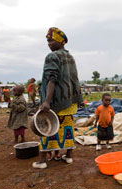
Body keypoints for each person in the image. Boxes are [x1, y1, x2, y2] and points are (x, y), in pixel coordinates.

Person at [32, 27, 83, 169]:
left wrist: (47, 101)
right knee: (68, 129)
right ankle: (68, 156)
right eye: (47, 41)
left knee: (47, 128)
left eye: (51, 40)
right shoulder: (70, 57)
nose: (48, 43)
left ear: (60, 41)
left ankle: (42, 161)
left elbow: (51, 79)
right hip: (70, 101)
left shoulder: (52, 56)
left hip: (56, 102)